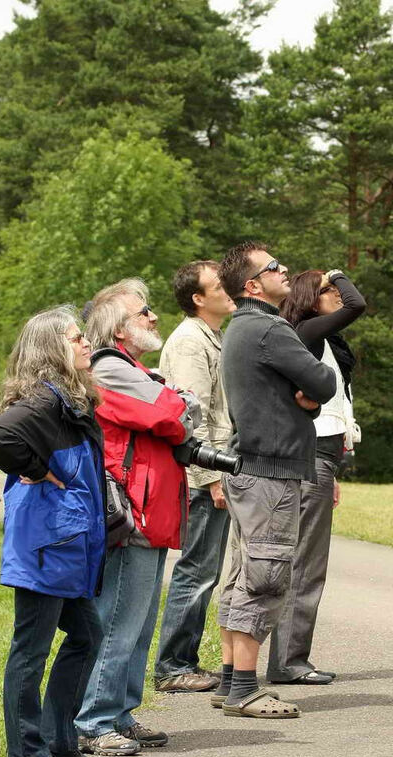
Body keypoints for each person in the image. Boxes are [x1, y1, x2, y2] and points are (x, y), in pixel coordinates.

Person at [75, 278, 201, 754]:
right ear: (118, 328)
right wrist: (180, 403)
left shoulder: (135, 369)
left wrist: (179, 405)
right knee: (117, 622)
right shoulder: (109, 367)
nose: (153, 316)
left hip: (152, 511)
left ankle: (120, 713)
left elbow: (178, 413)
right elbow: (171, 415)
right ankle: (92, 721)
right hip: (133, 513)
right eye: (143, 312)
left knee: (140, 623)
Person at [213, 241, 336, 719]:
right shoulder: (269, 328)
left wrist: (304, 399)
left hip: (250, 467)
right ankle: (245, 689)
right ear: (252, 284)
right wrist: (309, 396)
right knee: (264, 578)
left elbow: (299, 394)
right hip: (270, 472)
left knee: (241, 576)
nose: (285, 271)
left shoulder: (240, 328)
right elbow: (323, 381)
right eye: (273, 267)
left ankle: (231, 680)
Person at [0, 306, 106, 757]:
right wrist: (36, 470)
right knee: (31, 650)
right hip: (44, 548)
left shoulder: (67, 399)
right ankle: (27, 753)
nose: (86, 343)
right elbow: (1, 433)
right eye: (76, 338)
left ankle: (60, 739)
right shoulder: (42, 402)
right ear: (52, 348)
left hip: (65, 547)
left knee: (87, 635)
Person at [267, 268, 366, 685]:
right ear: (310, 298)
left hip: (321, 456)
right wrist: (339, 274)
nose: (338, 295)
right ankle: (288, 662)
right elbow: (358, 304)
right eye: (328, 290)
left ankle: (288, 658)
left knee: (306, 559)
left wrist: (333, 469)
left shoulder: (324, 341)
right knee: (306, 561)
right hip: (312, 456)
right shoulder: (307, 330)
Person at [154, 261, 236, 693]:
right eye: (218, 286)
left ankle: (182, 661)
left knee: (206, 569)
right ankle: (172, 667)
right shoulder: (189, 342)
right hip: (202, 475)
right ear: (198, 298)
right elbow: (192, 415)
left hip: (211, 470)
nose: (228, 289)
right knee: (197, 570)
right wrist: (211, 476)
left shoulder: (212, 336)